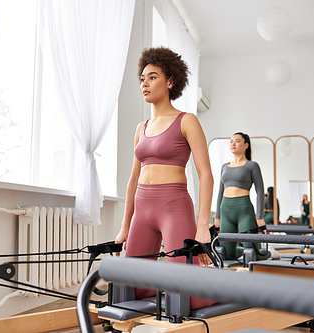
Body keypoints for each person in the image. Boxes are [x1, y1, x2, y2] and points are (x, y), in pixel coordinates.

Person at [114, 46, 215, 309]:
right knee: (131, 288)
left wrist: (202, 226)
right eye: (142, 79)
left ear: (170, 81)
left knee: (189, 295)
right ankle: (160, 303)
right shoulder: (141, 128)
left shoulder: (186, 121)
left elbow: (206, 175)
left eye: (152, 77)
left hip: (173, 206)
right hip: (143, 209)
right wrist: (124, 226)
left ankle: (231, 285)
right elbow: (132, 180)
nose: (144, 83)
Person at [214, 132, 271, 260]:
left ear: (246, 145)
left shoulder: (252, 166)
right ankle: (237, 252)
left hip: (244, 210)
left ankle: (271, 253)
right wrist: (217, 217)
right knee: (225, 254)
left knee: (253, 253)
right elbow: (220, 193)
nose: (233, 144)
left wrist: (259, 217)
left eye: (237, 141)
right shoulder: (224, 167)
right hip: (226, 211)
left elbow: (260, 191)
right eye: (231, 141)